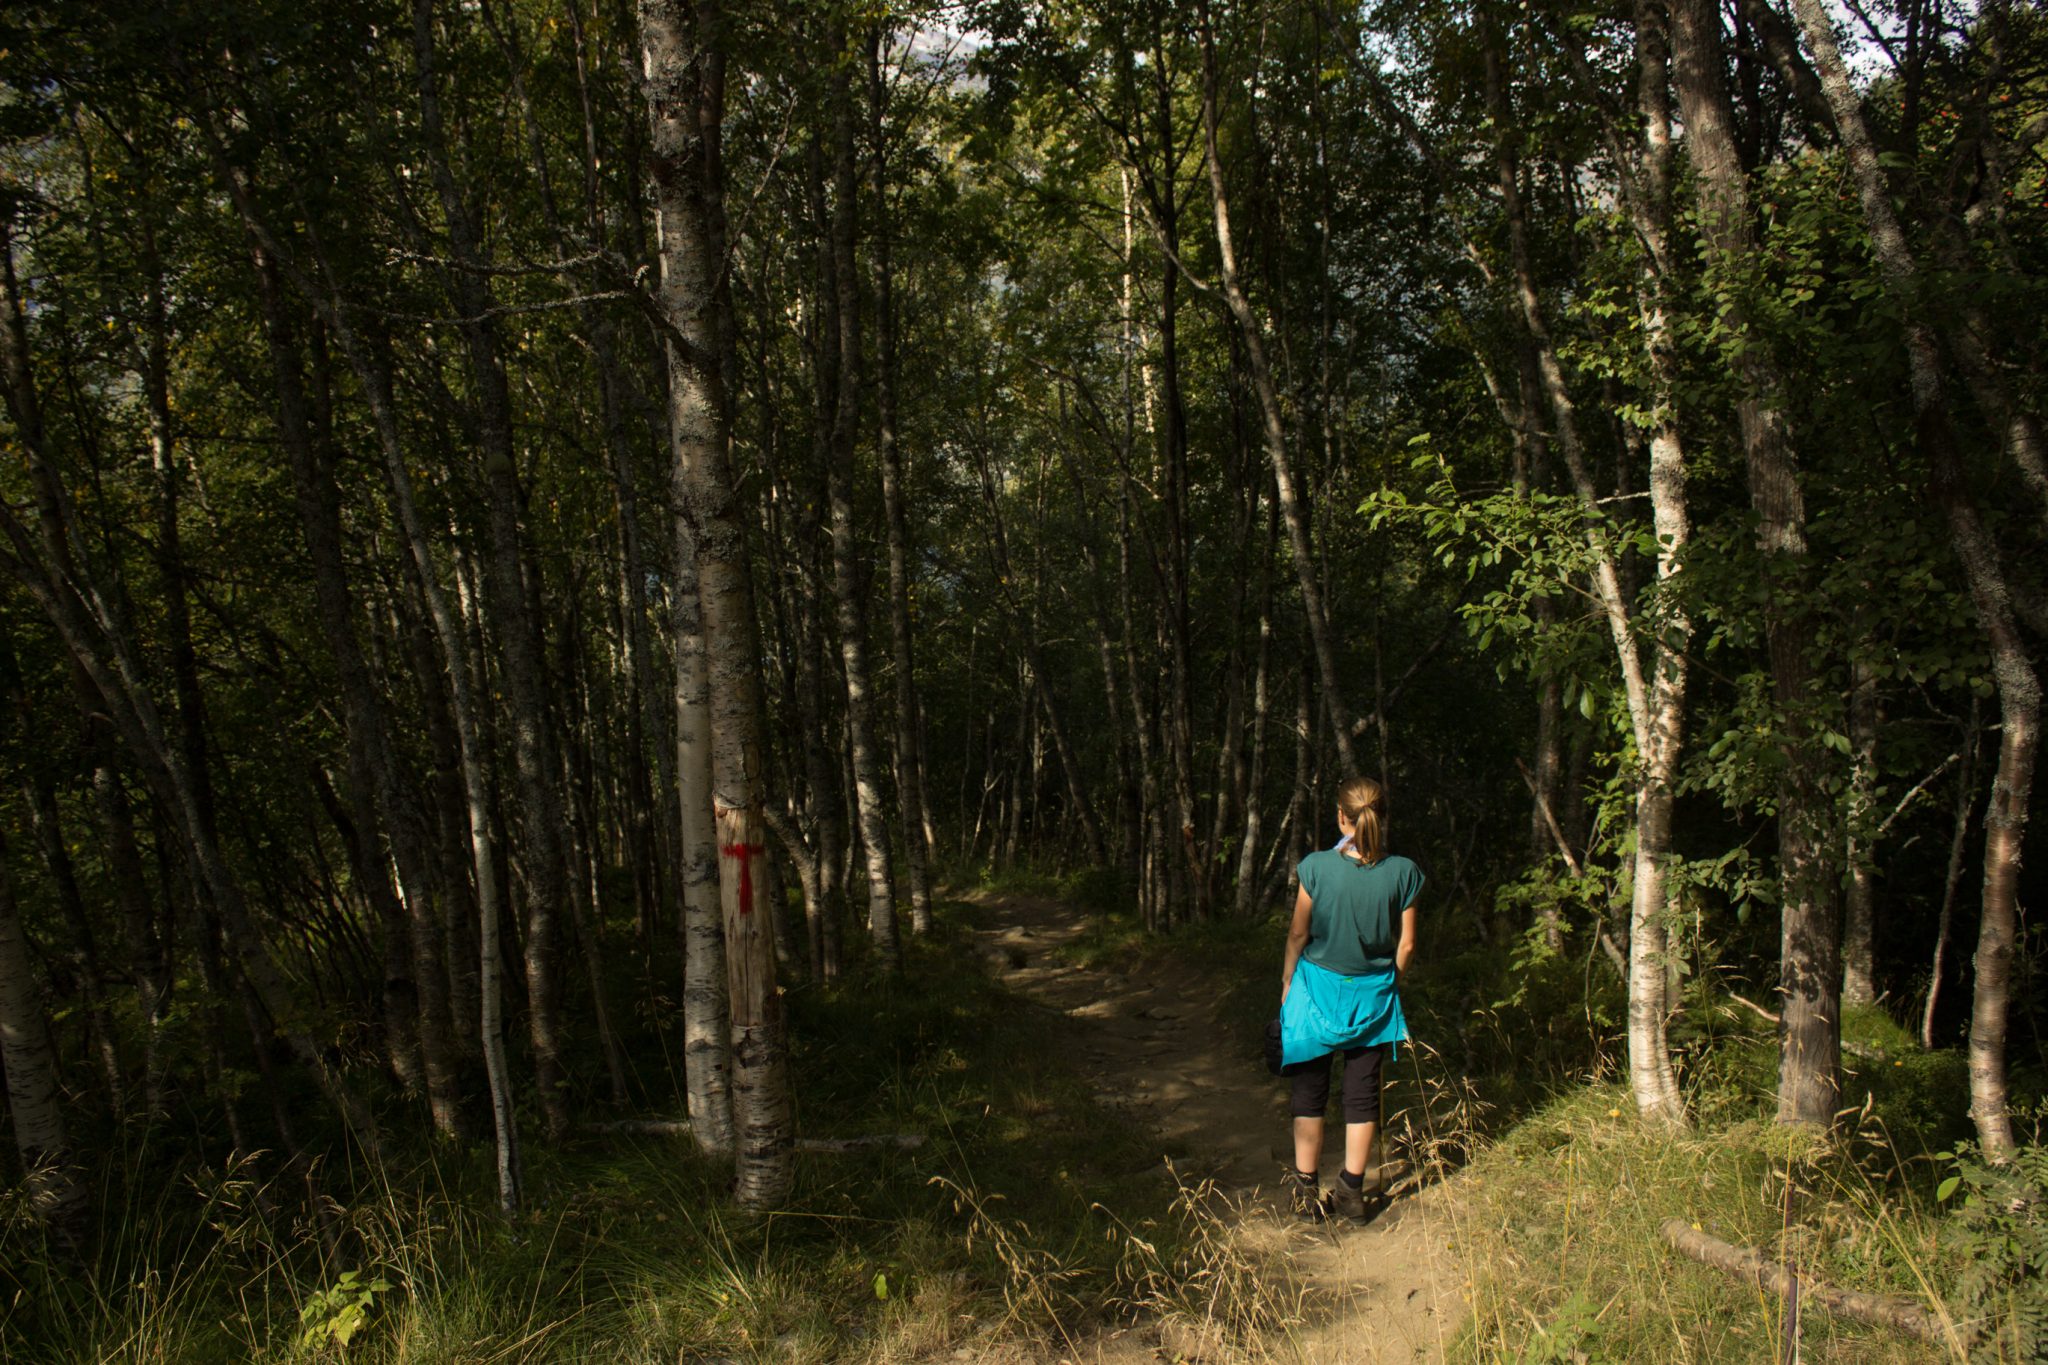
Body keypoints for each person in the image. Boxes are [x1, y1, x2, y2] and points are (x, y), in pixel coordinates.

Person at [1278, 775, 1421, 1222]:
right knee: (1361, 1094)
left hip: (1315, 988)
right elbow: (1408, 945)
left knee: (1309, 1091)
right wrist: (1388, 983)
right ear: (1383, 817)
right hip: (1372, 997)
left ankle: (1305, 1192)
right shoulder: (1405, 872)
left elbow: (1299, 932)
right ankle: (1352, 1193)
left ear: (1341, 817)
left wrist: (1286, 984)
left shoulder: (1315, 867)